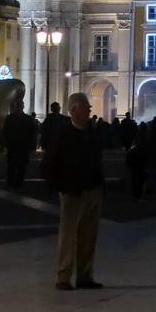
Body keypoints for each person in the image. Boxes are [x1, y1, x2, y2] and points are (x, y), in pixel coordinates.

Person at [41, 93, 104, 290]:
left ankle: (85, 276)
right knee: (68, 236)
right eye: (86, 107)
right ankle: (63, 277)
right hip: (72, 191)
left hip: (92, 190)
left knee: (89, 236)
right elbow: (48, 165)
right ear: (74, 110)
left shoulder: (91, 132)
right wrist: (62, 186)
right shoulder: (63, 135)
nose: (90, 110)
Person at [2, 98, 38, 192]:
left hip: (20, 145)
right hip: (16, 145)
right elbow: (5, 132)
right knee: (13, 165)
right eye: (18, 106)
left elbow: (32, 133)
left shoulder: (11, 118)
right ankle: (14, 182)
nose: (18, 107)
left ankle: (17, 182)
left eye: (19, 106)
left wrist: (33, 144)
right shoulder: (25, 118)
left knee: (20, 165)